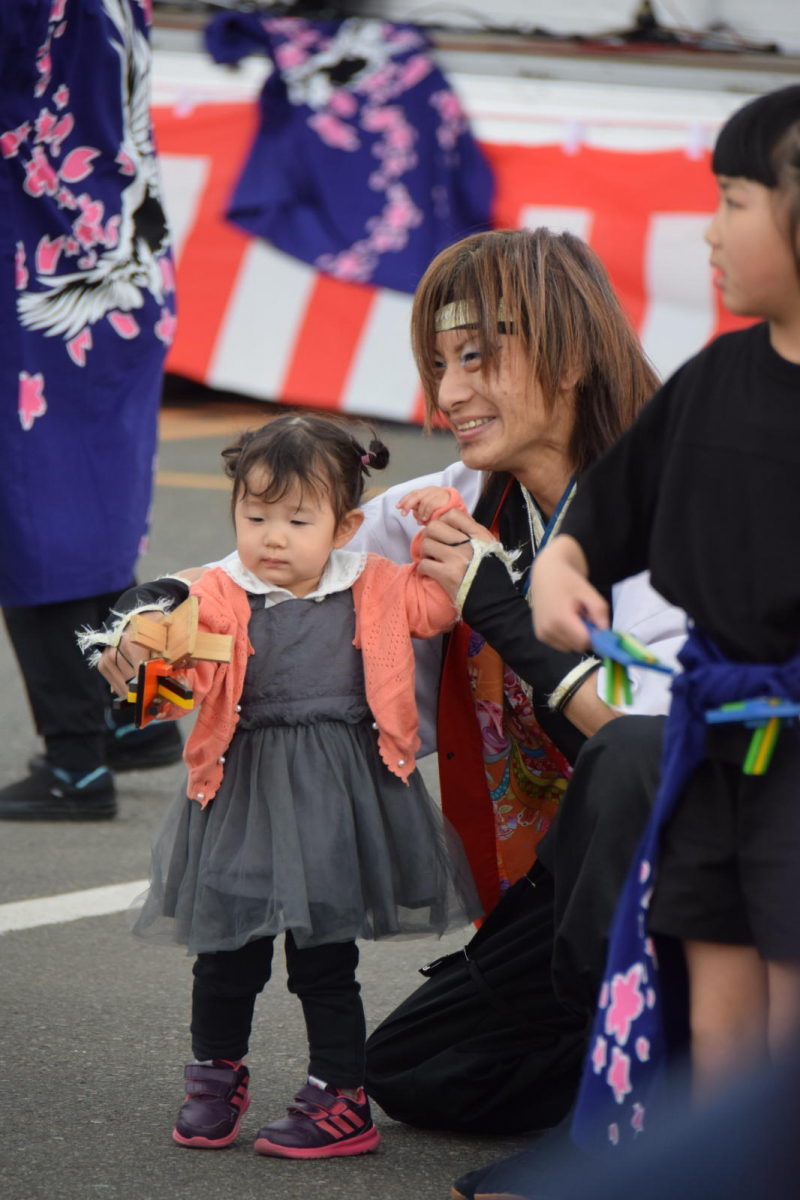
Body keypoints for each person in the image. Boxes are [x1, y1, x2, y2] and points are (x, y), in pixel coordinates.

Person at [91, 229, 686, 1137]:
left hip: (698, 866)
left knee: (643, 785)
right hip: (567, 876)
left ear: (568, 353)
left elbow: (654, 758)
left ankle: (675, 1093)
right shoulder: (458, 499)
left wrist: (507, 614)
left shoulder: (674, 499)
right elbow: (268, 572)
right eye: (438, 362)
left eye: (479, 358)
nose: (448, 394)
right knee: (419, 1069)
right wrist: (143, 629)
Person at [82, 412, 480, 1159]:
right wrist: (141, 643)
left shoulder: (379, 583)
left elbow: (446, 599)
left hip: (341, 794)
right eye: (255, 515)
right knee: (227, 949)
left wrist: (443, 516)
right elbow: (180, 669)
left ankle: (340, 1094)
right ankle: (214, 1071)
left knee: (324, 958)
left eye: (298, 519)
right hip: (243, 791)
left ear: (345, 525)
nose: (272, 537)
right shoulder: (219, 593)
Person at [531, 86, 800, 1150]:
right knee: (712, 975)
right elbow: (611, 504)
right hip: (712, 744)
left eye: (732, 199)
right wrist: (561, 561)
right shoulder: (715, 378)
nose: (706, 227)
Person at [0, 0, 181, 822]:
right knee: (97, 499)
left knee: (31, 510)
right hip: (122, 254)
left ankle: (76, 763)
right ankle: (137, 712)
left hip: (38, 267)